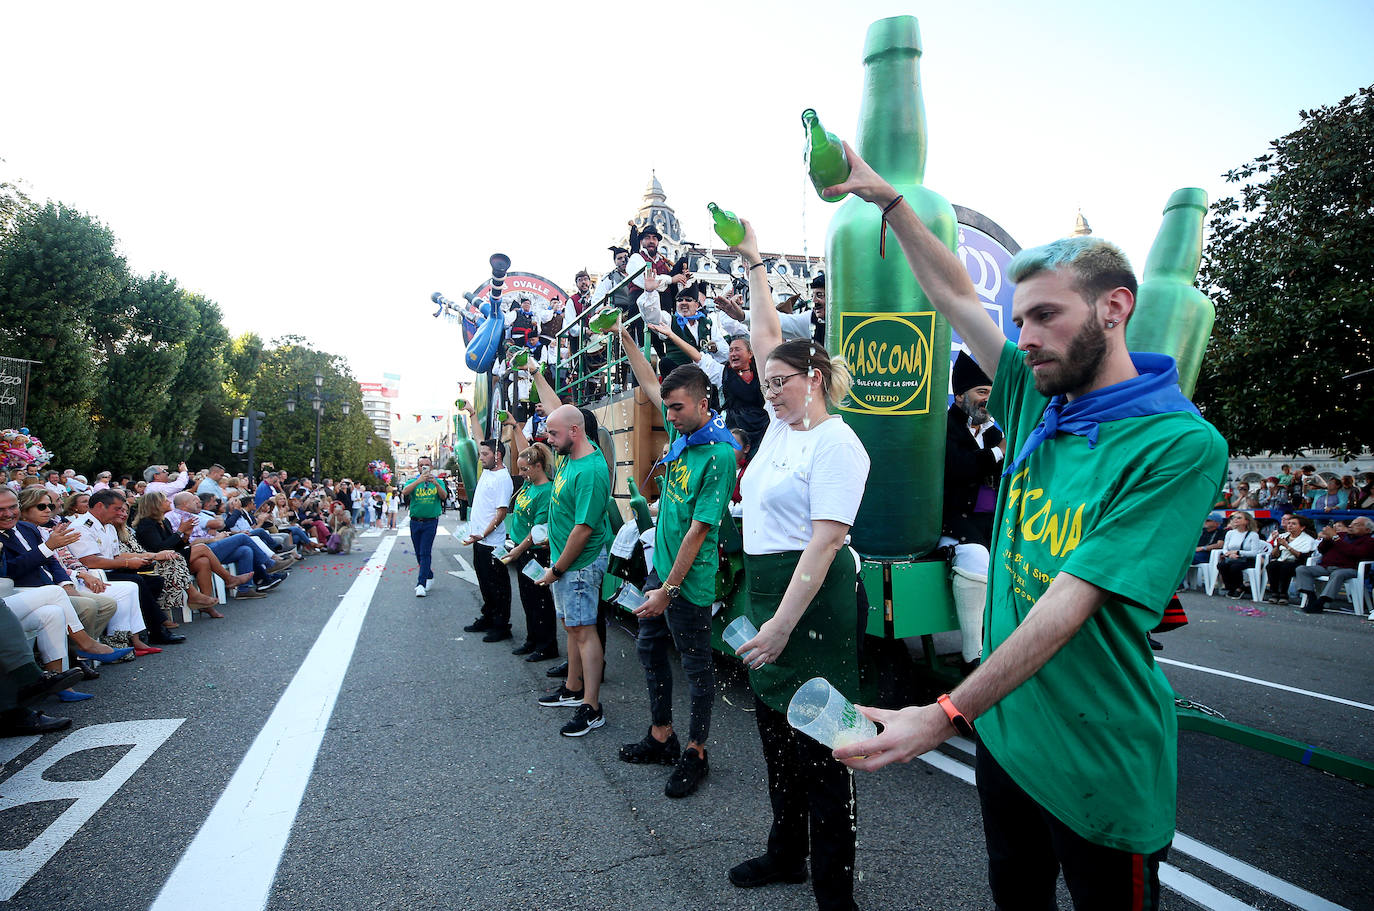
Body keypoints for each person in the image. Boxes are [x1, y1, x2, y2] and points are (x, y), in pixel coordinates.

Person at [825, 144, 1228, 911]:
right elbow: (951, 295)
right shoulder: (1036, 394)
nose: (1026, 337)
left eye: (1046, 315)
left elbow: (1068, 604)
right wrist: (889, 201)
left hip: (1098, 762)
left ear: (1115, 307)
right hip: (1007, 735)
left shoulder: (1179, 444)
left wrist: (943, 713)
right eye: (1021, 320)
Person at [717, 222, 870, 911]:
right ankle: (787, 853)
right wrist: (752, 261)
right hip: (770, 595)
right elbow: (765, 327)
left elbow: (826, 541)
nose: (767, 391)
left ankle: (836, 892)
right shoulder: (783, 425)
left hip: (815, 606)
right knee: (776, 735)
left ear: (814, 380)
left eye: (780, 382)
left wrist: (779, 625)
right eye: (765, 380)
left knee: (826, 752)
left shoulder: (838, 443)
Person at [618, 338, 738, 798]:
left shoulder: (718, 453)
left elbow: (699, 532)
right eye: (667, 408)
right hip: (661, 572)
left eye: (677, 408)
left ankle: (696, 751)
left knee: (696, 668)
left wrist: (667, 589)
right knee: (649, 651)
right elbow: (650, 383)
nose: (669, 415)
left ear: (703, 404)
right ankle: (662, 735)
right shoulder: (685, 436)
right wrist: (628, 339)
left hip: (686, 583)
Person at [533, 405, 611, 738]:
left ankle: (592, 706)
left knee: (583, 631)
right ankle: (572, 686)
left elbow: (583, 529)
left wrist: (557, 568)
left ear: (575, 432)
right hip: (566, 564)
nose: (549, 440)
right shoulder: (569, 457)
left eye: (553, 434)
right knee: (572, 627)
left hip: (578, 565)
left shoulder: (591, 470)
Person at [941, 351, 1005, 671]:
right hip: (949, 523)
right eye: (981, 393)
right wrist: (998, 453)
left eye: (991, 394)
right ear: (960, 395)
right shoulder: (943, 426)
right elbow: (957, 468)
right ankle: (972, 657)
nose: (986, 401)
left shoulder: (994, 432)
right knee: (977, 558)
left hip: (988, 523)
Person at [69, 489, 186, 647]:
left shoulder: (108, 526)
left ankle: (145, 629)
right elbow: (90, 561)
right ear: (99, 506)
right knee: (136, 581)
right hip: (92, 576)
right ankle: (157, 629)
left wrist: (147, 557)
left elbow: (115, 556)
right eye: (116, 509)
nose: (120, 513)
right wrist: (127, 564)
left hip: (109, 570)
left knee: (154, 581)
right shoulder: (82, 527)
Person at [498, 442, 558, 662]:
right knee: (527, 598)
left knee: (539, 598)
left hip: (534, 552)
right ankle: (533, 639)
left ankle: (547, 644)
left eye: (525, 469)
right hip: (521, 549)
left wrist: (517, 551)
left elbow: (538, 529)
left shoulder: (546, 490)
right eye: (519, 469)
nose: (521, 474)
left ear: (539, 466)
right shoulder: (529, 486)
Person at [459, 418, 515, 640]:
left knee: (498, 586)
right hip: (479, 540)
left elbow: (501, 513)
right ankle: (489, 617)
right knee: (485, 583)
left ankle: (502, 626)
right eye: (481, 454)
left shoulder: (502, 478)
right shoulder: (488, 471)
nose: (481, 458)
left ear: (497, 455)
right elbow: (477, 436)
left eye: (485, 455)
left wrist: (484, 533)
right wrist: (472, 413)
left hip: (493, 543)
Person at [1294, 516, 1374, 613]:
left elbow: (1354, 552)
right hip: (1327, 566)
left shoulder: (1369, 541)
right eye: (1351, 524)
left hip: (1350, 568)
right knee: (1302, 569)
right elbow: (1321, 550)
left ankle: (1321, 602)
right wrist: (1327, 539)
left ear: (1367, 530)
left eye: (1356, 525)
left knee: (1337, 574)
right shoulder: (1342, 535)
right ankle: (1311, 597)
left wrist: (1335, 538)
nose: (1351, 526)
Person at [402, 457, 448, 596]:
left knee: (425, 552)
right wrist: (418, 481)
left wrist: (437, 484)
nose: (424, 467)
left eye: (426, 465)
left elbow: (444, 496)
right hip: (415, 521)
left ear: (431, 467)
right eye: (421, 465)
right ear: (418, 468)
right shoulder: (413, 482)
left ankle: (420, 584)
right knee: (418, 552)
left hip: (430, 521)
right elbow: (405, 492)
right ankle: (429, 574)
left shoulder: (438, 482)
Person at [1264, 514, 1318, 604]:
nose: (1290, 526)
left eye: (1293, 524)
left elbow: (1301, 557)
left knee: (1285, 567)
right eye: (1289, 523)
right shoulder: (1283, 536)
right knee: (1271, 566)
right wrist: (1277, 546)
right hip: (1282, 560)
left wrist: (1287, 546)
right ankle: (1274, 593)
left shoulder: (1307, 539)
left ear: (1302, 527)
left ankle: (1283, 594)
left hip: (1298, 562)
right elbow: (1274, 555)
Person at [1216, 511, 1264, 599]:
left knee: (1235, 567)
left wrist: (1238, 553)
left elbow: (1254, 552)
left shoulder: (1253, 535)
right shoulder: (1230, 533)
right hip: (1231, 557)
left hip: (1247, 559)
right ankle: (1230, 587)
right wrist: (1228, 554)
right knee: (1221, 565)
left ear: (1247, 521)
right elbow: (1225, 547)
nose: (1235, 520)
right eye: (1234, 518)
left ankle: (1239, 588)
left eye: (1239, 518)